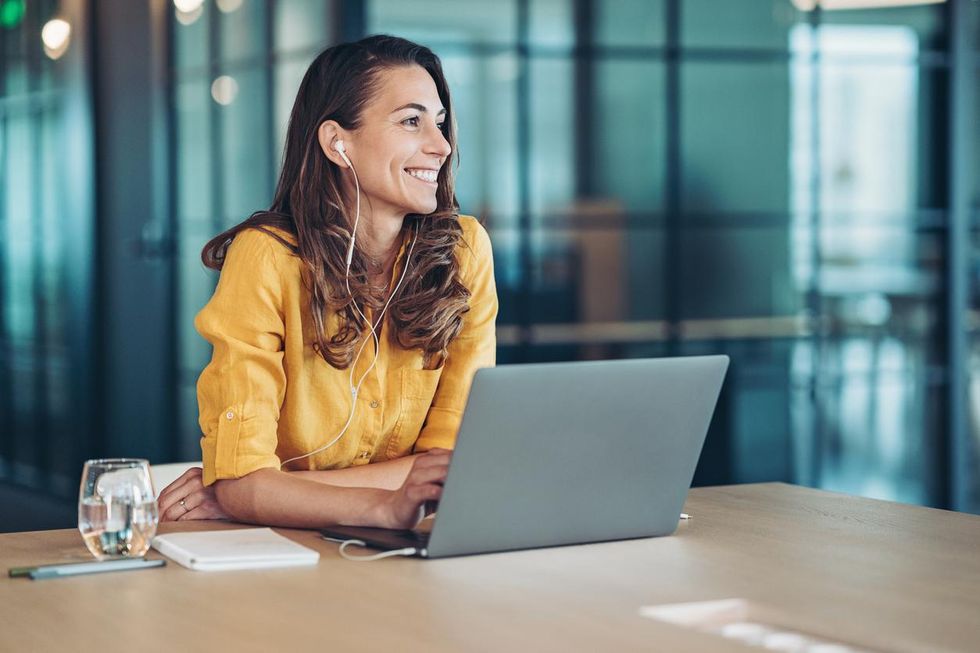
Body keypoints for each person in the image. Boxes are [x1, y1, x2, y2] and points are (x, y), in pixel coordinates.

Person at [157, 35, 497, 531]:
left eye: (440, 123)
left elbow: (451, 470)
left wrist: (261, 494)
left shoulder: (465, 252)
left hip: (412, 551)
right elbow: (243, 479)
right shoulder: (268, 257)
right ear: (338, 142)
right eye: (411, 121)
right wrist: (381, 501)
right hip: (286, 555)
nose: (441, 146)